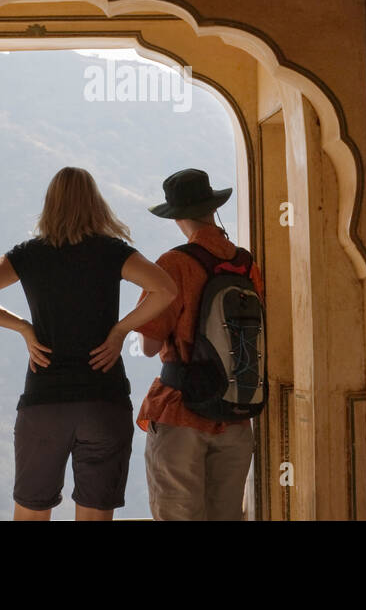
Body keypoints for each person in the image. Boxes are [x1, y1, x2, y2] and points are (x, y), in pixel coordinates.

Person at [0, 166, 176, 521]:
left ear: (50, 205)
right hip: (104, 400)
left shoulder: (29, 254)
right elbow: (165, 289)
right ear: (95, 203)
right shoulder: (112, 252)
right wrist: (120, 331)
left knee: (31, 513)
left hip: (45, 403)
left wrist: (24, 328)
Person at [135, 168, 265, 521]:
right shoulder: (246, 264)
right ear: (212, 207)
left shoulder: (174, 264)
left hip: (182, 411)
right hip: (237, 412)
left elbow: (149, 345)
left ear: (177, 216)